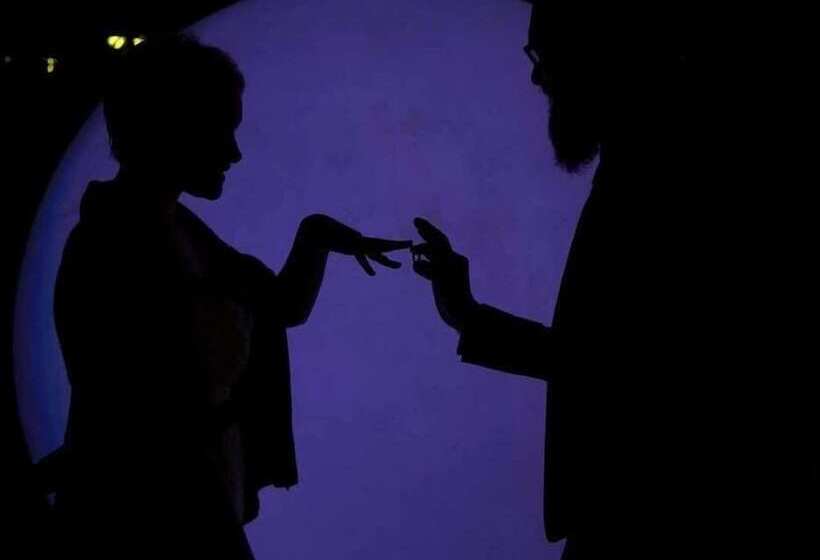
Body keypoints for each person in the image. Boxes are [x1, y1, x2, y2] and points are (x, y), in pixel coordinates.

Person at [52, 33, 410, 559]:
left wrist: (315, 234)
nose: (235, 152)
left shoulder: (171, 233)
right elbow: (144, 435)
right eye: (221, 128)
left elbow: (278, 305)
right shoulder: (123, 248)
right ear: (170, 127)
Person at [410, 2, 728, 558]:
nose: (538, 77)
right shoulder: (645, 157)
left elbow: (622, 367)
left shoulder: (666, 169)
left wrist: (468, 316)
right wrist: (468, 315)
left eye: (545, 56)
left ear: (599, 54)